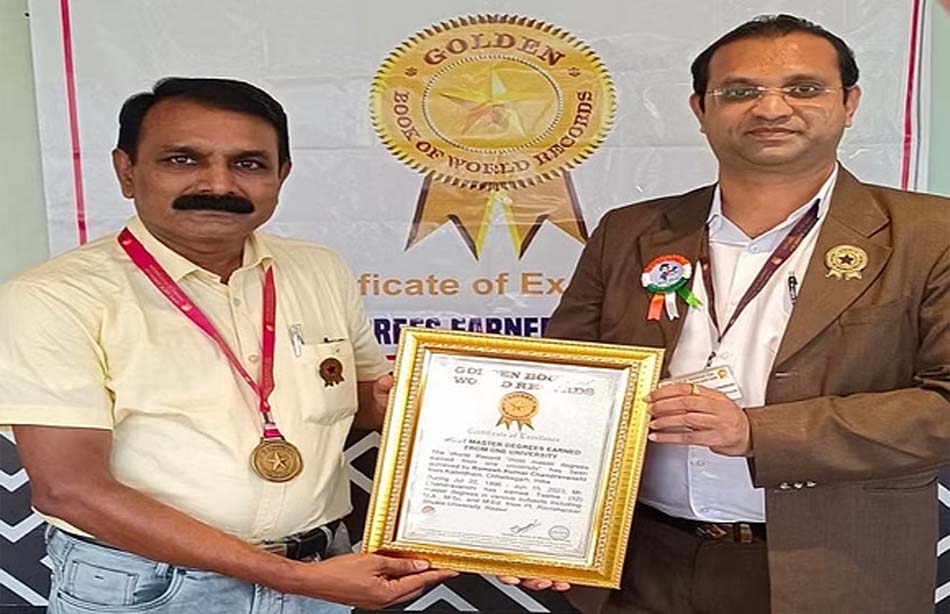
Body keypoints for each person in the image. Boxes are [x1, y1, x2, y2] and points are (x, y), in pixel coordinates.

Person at [0, 77, 456, 613]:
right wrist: (295, 580)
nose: (218, 184)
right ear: (126, 171)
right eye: (182, 160)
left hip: (322, 570)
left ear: (282, 175)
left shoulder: (319, 269)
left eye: (248, 164)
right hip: (150, 589)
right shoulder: (53, 297)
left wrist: (418, 405)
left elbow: (360, 404)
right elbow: (70, 491)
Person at [543, 14, 950, 614]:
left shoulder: (932, 233)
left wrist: (756, 432)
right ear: (701, 109)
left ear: (849, 103)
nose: (771, 108)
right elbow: (562, 380)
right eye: (740, 91)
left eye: (803, 88)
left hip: (839, 570)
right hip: (641, 564)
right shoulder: (627, 232)